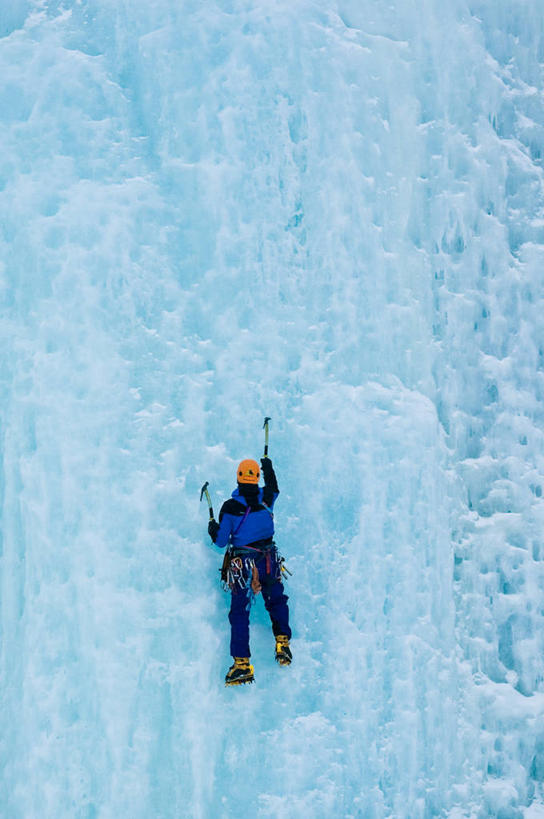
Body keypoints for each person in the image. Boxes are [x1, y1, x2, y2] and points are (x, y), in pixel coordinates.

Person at [208, 456, 292, 686]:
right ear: (256, 479)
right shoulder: (266, 498)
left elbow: (220, 542)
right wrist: (267, 465)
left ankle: (242, 664)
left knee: (239, 612)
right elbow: (274, 486)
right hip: (268, 560)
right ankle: (282, 643)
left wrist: (212, 528)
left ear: (238, 478)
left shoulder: (231, 507)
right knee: (276, 600)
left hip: (244, 564)